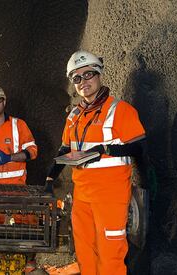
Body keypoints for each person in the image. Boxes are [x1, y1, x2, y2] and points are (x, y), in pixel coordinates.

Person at [45, 50, 146, 275]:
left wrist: (106, 149)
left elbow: (139, 148)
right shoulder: (73, 116)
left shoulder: (120, 110)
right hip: (82, 195)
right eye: (77, 78)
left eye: (88, 74)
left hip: (111, 197)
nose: (83, 82)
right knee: (85, 252)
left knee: (110, 254)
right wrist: (50, 177)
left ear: (99, 74)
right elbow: (65, 149)